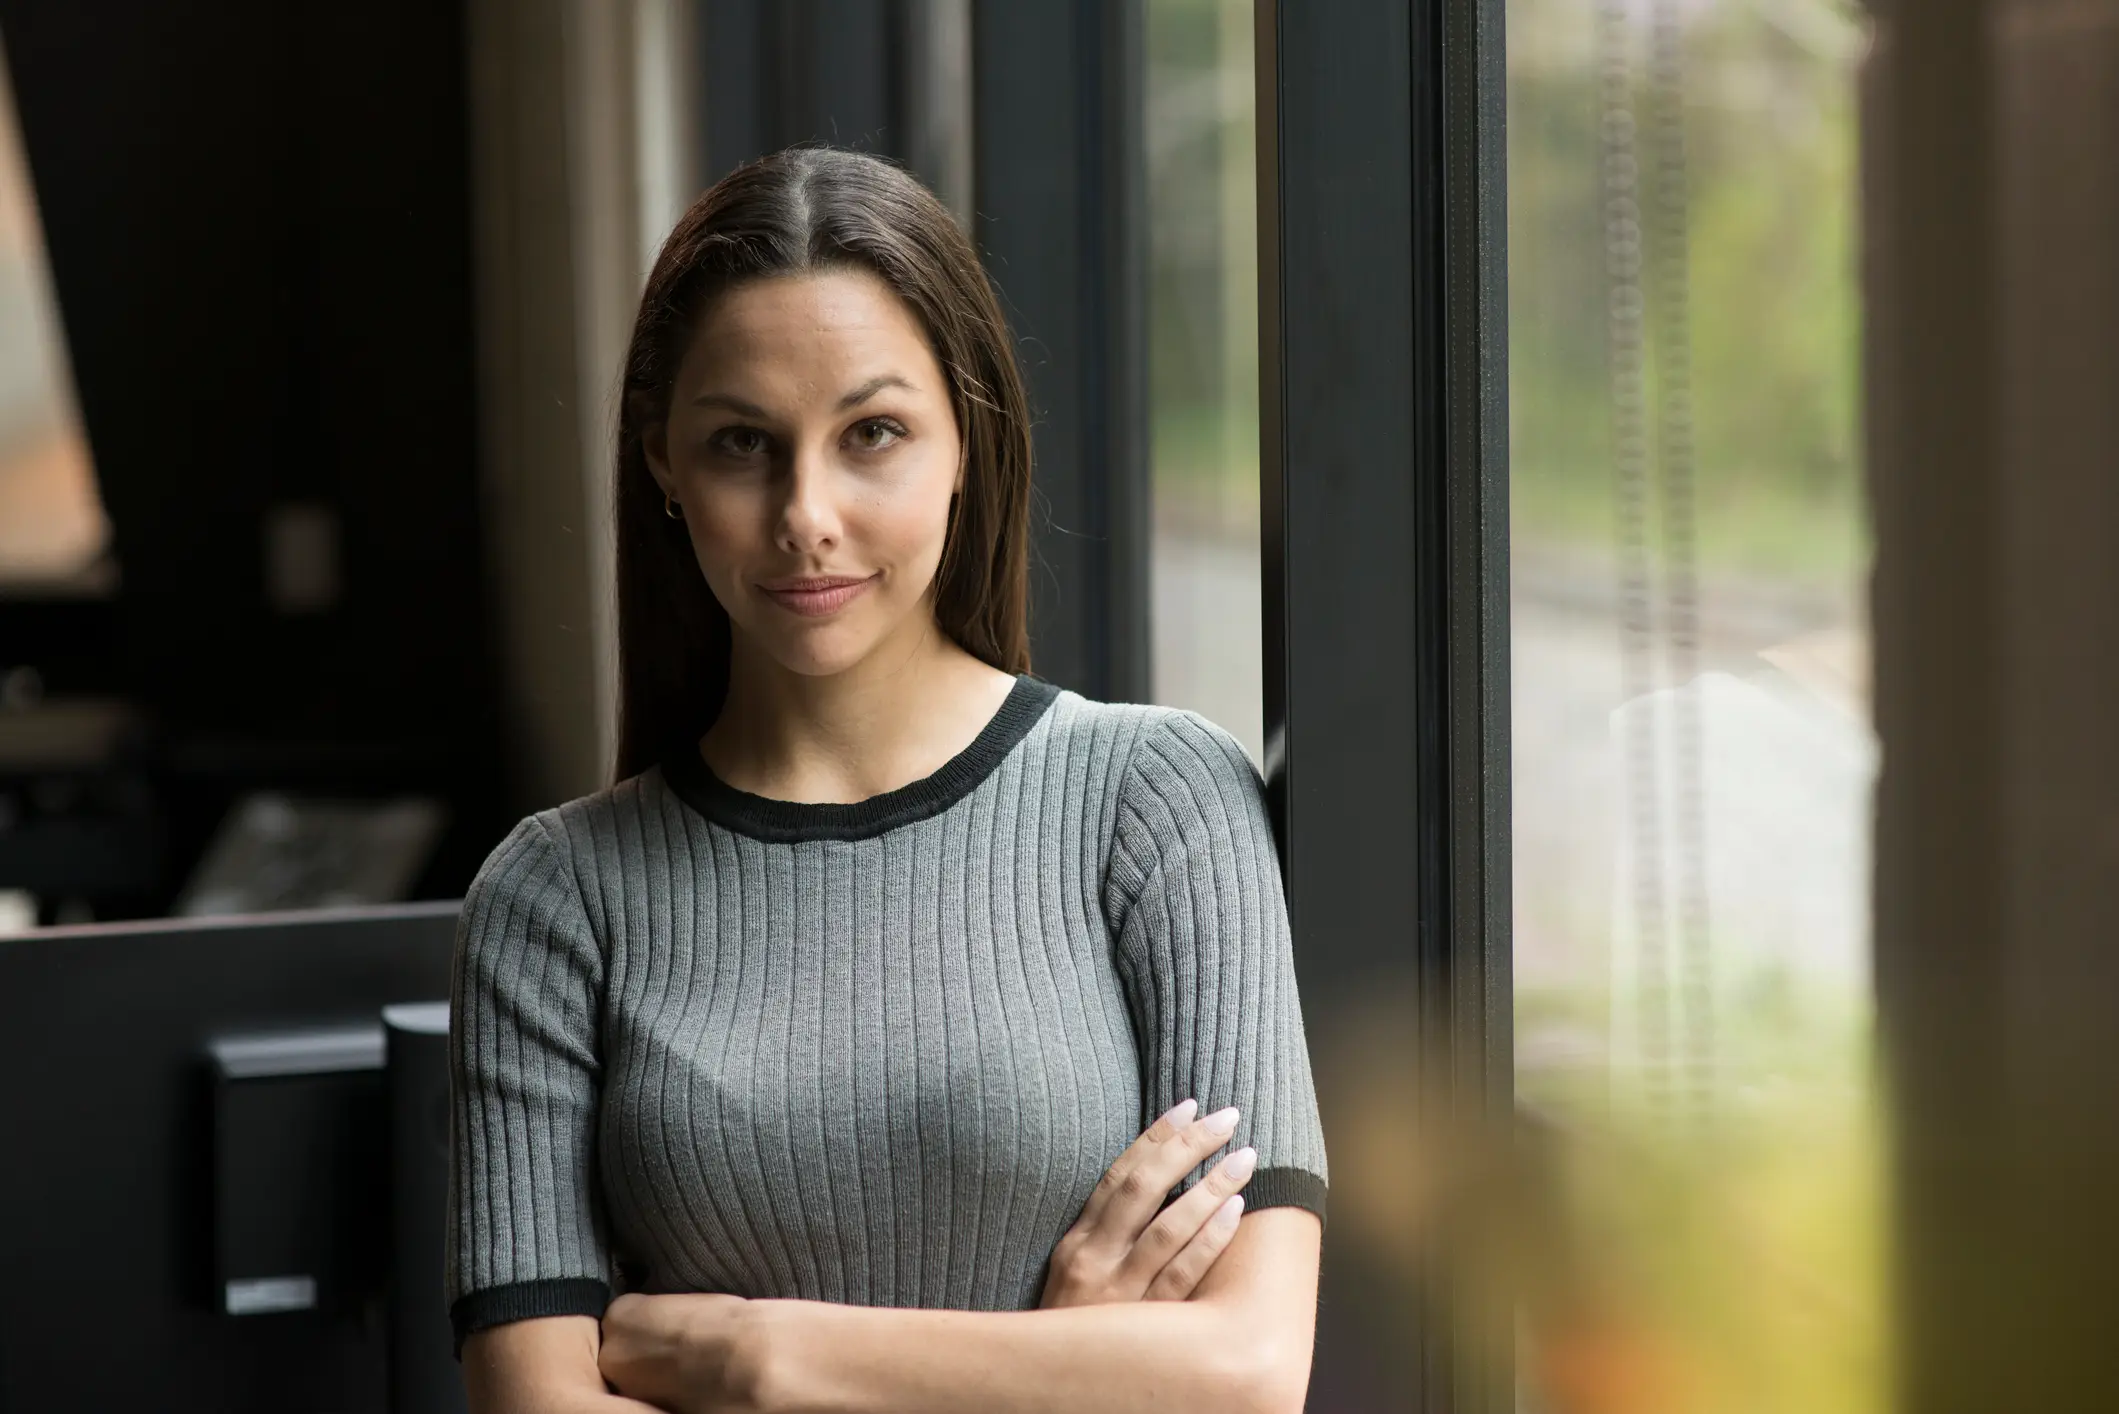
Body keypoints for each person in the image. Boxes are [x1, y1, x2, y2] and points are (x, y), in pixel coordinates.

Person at [447, 145, 1328, 1414]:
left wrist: (755, 1362)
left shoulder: (1157, 801)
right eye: (742, 443)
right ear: (663, 468)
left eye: (873, 434)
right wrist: (1064, 1367)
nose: (806, 514)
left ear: (966, 443)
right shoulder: (552, 899)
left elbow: (1246, 1374)